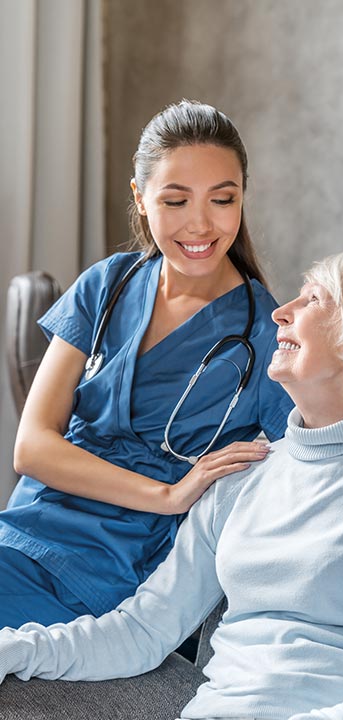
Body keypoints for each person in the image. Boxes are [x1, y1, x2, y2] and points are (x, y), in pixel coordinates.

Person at [1, 247, 343, 720]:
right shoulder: (240, 477)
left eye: (313, 300)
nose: (281, 312)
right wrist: (14, 649)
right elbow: (140, 632)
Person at [0, 100, 293, 628]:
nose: (201, 224)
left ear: (242, 198)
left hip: (122, 563)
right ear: (140, 199)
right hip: (29, 527)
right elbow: (32, 447)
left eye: (223, 199)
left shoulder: (268, 334)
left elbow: (333, 449)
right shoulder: (107, 284)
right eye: (176, 201)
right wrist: (167, 493)